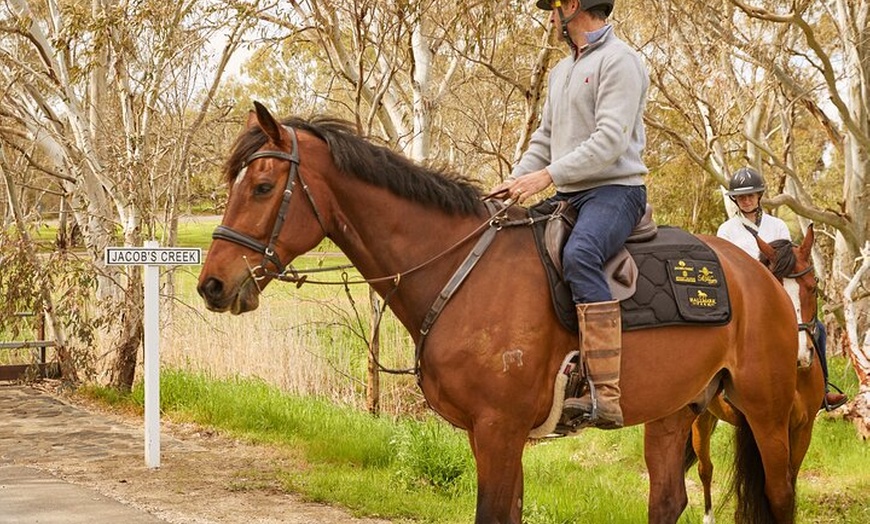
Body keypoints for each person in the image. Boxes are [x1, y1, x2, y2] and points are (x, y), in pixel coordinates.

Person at [494, 0, 649, 429]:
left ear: (573, 6)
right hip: (570, 192)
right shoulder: (563, 71)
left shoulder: (621, 62)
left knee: (580, 254)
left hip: (616, 191)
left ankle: (605, 394)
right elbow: (544, 139)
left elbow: (609, 142)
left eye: (552, 6)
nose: (549, 15)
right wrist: (513, 184)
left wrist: (545, 177)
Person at [716, 167, 847, 411]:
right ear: (734, 199)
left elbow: (790, 262)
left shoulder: (777, 226)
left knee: (817, 328)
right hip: (742, 298)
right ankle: (721, 386)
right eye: (741, 197)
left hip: (777, 294)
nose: (746, 200)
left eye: (751, 195)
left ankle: (823, 391)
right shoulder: (726, 231)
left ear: (759, 196)